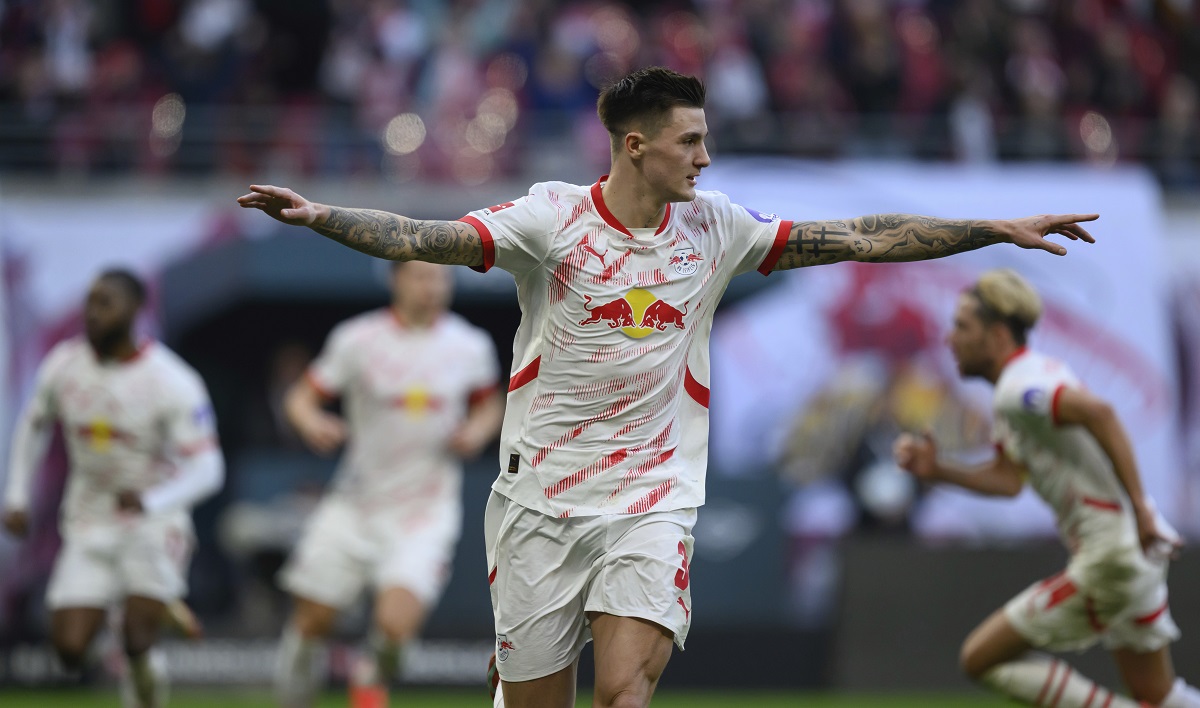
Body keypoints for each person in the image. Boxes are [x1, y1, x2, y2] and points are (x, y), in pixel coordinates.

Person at [238, 66, 1098, 708]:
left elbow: (861, 238)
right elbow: (424, 237)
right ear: (635, 146)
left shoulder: (717, 228)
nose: (707, 156)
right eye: (691, 141)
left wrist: (990, 229)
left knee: (622, 692)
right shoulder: (551, 219)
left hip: (651, 499)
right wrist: (321, 218)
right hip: (539, 501)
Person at [893, 269, 1200, 708]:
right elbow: (1007, 479)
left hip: (1110, 555)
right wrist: (939, 469)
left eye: (962, 326)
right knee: (1158, 696)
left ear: (998, 335)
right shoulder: (1024, 382)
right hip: (1133, 556)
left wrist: (1143, 509)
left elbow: (1101, 413)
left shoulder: (1020, 389)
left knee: (980, 659)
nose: (949, 339)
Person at [273, 259, 503, 708]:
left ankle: (370, 677)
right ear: (395, 280)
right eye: (420, 276)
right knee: (312, 621)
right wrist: (311, 421)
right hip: (354, 505)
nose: (431, 287)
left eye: (439, 277)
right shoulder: (357, 339)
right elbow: (302, 397)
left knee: (396, 627)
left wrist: (476, 431)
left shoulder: (468, 345)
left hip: (424, 512)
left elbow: (487, 404)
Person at [2, 268, 224, 708]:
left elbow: (209, 467)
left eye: (106, 303)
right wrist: (16, 495)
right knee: (68, 650)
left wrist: (151, 499)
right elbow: (34, 426)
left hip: (153, 522)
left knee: (137, 639)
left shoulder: (171, 380)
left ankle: (143, 618)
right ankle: (149, 603)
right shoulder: (64, 363)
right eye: (90, 302)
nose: (93, 313)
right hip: (88, 518)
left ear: (136, 310)